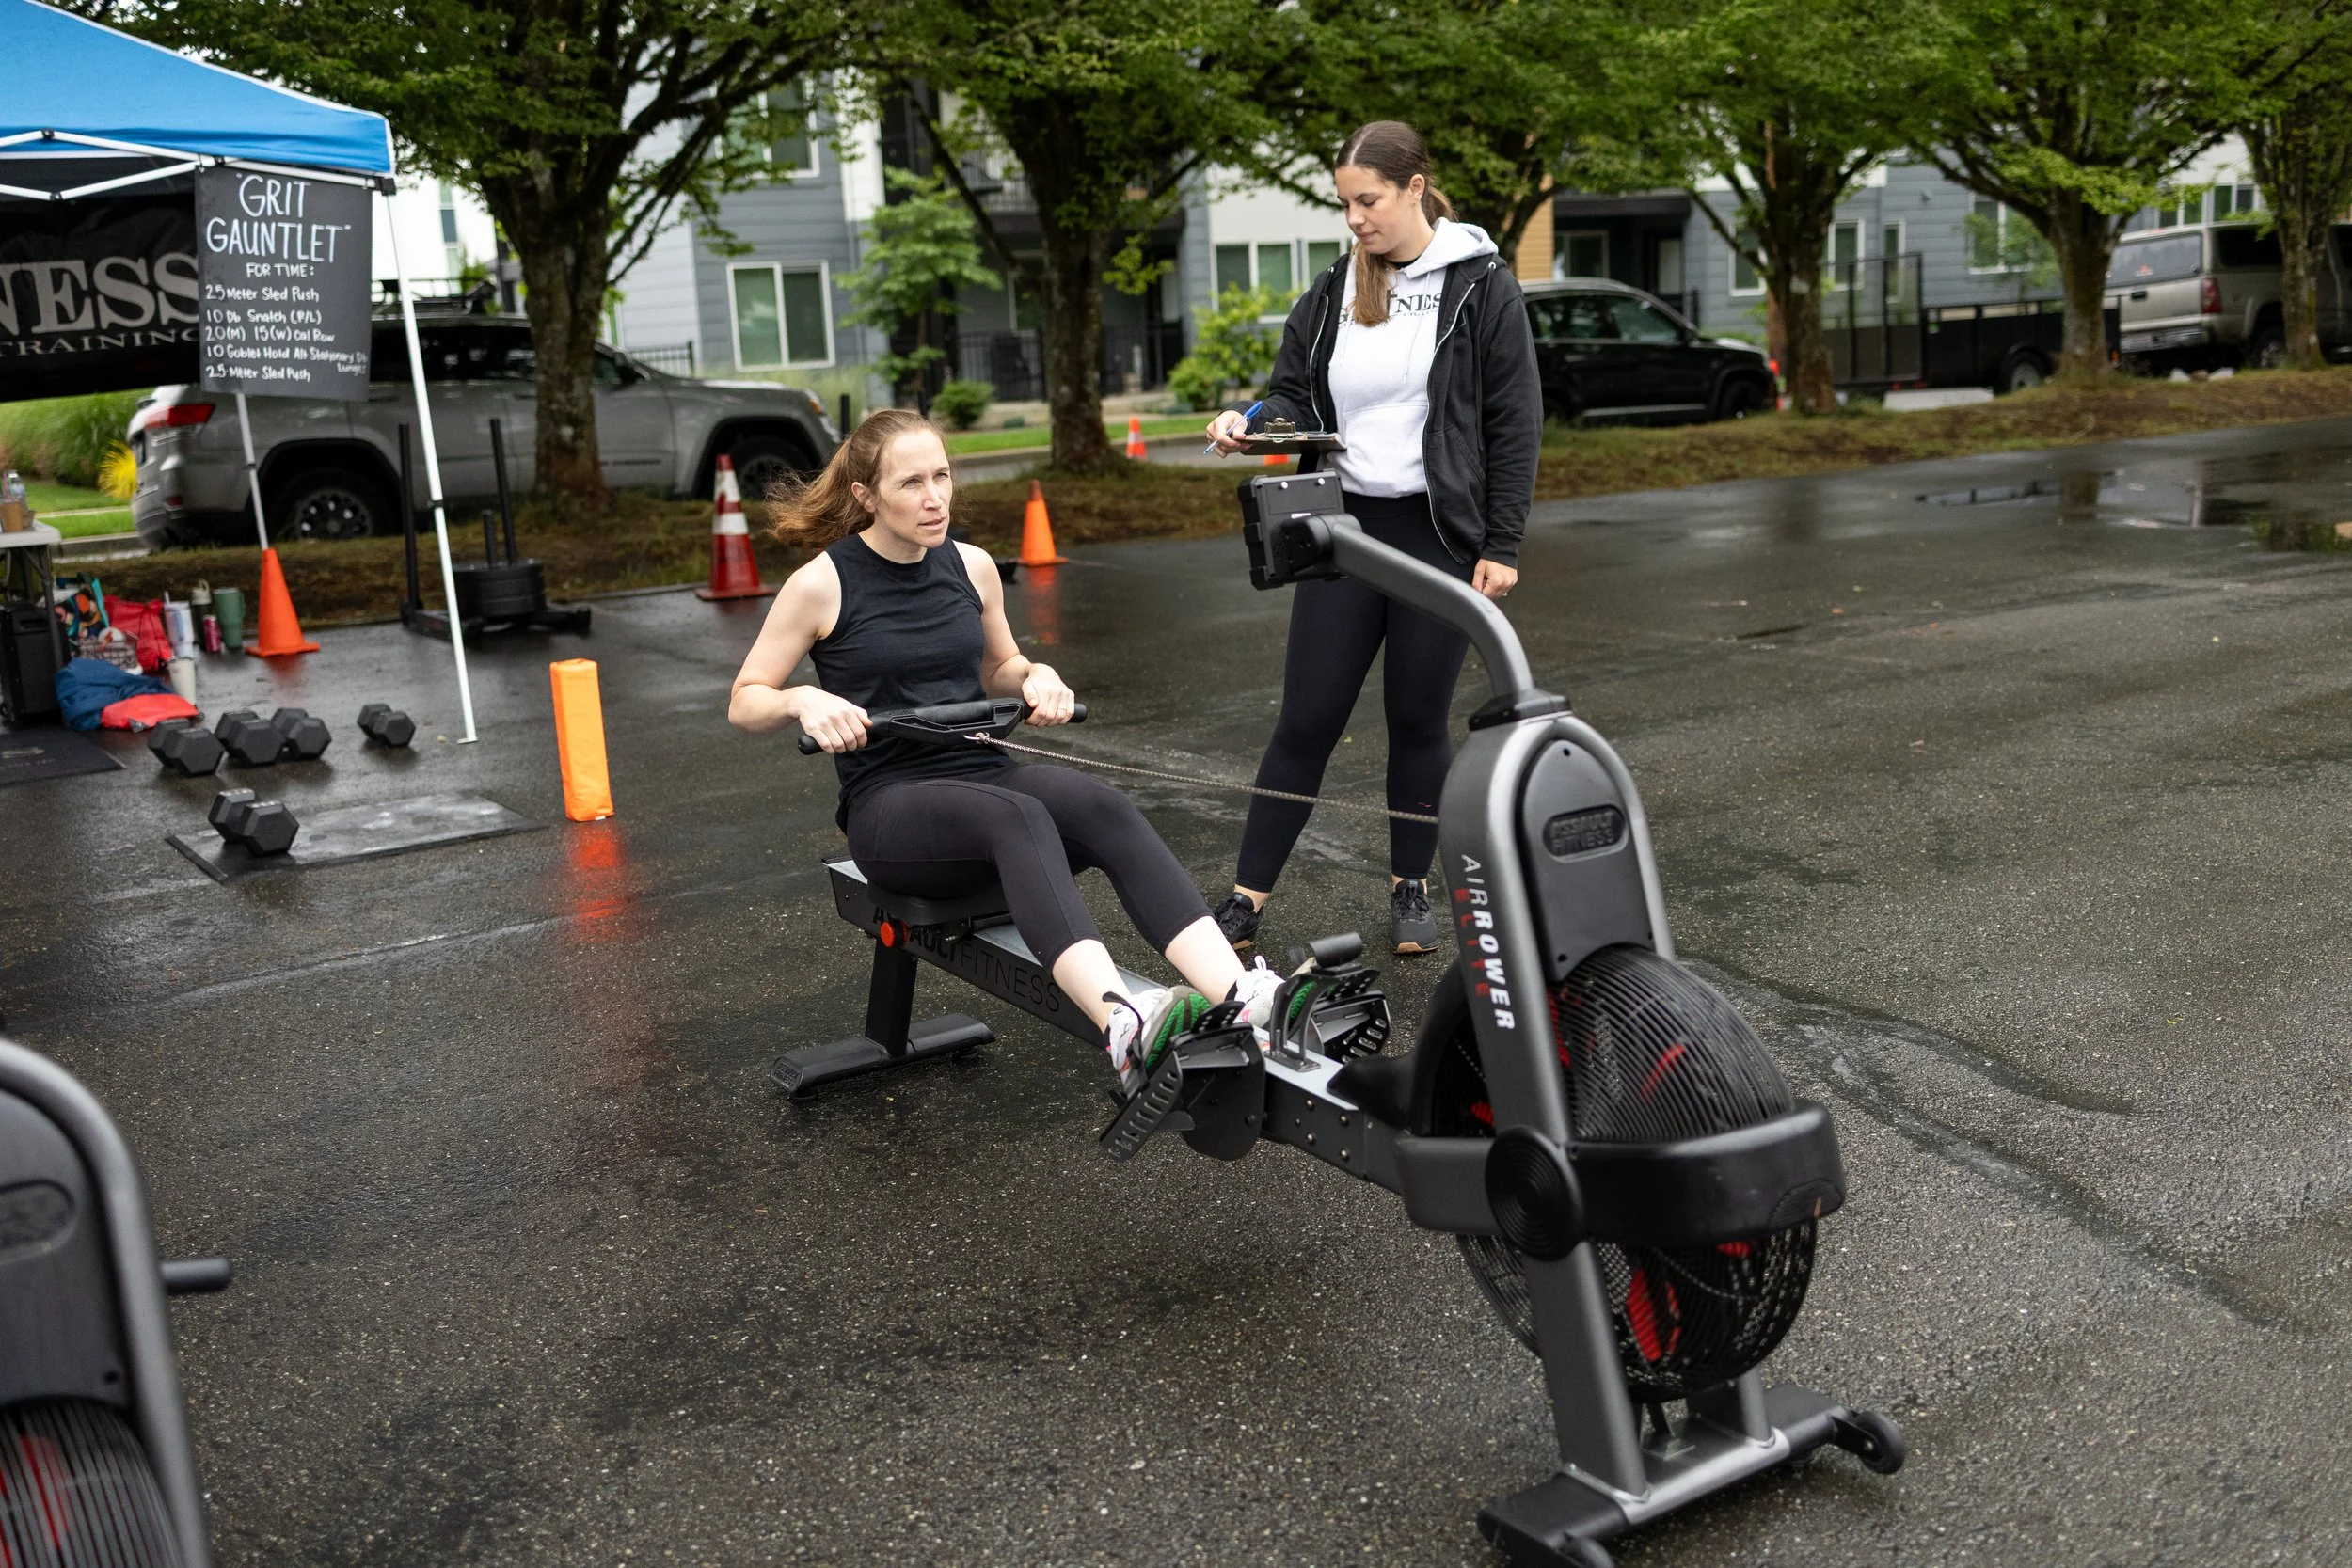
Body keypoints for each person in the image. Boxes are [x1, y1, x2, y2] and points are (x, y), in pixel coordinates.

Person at [729, 408, 1281, 1119]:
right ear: (867, 495)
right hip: (891, 804)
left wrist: (1034, 675)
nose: (935, 497)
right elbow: (746, 699)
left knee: (1101, 804)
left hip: (981, 775)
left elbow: (1001, 664)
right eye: (912, 483)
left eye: (943, 477)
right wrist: (802, 699)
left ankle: (1238, 993)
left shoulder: (972, 565)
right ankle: (1122, 1022)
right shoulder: (822, 584)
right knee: (1019, 814)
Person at [1206, 119, 1540, 957]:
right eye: (1345, 204)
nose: (1355, 218)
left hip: (1436, 532)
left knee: (1417, 718)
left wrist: (1501, 542)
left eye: (1369, 200)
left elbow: (1514, 422)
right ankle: (1245, 900)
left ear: (1415, 188)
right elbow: (1294, 399)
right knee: (1307, 718)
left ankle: (1410, 887)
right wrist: (1249, 424)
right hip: (1343, 531)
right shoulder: (1331, 292)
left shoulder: (1480, 284)